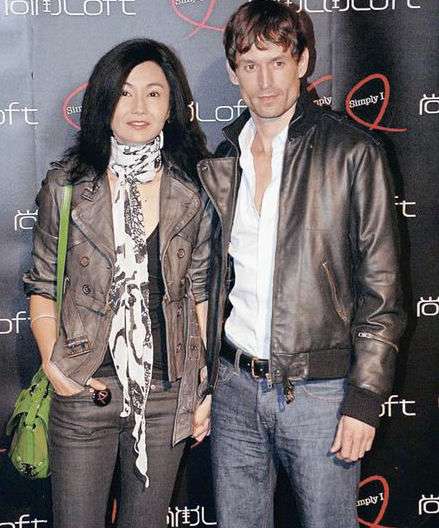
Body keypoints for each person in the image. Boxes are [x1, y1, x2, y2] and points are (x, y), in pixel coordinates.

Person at [197, 1, 405, 527]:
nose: (265, 81)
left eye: (278, 62)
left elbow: (382, 290)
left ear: (303, 62)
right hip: (234, 388)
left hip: (322, 394)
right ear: (233, 73)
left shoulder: (352, 152)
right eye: (250, 65)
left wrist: (364, 398)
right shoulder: (223, 158)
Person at [23, 38, 212, 528]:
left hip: (166, 393)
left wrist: (201, 386)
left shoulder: (193, 187)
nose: (139, 108)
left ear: (171, 105)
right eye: (124, 93)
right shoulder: (68, 184)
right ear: (104, 102)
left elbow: (199, 292)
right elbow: (42, 283)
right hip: (86, 386)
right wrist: (55, 365)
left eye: (153, 93)